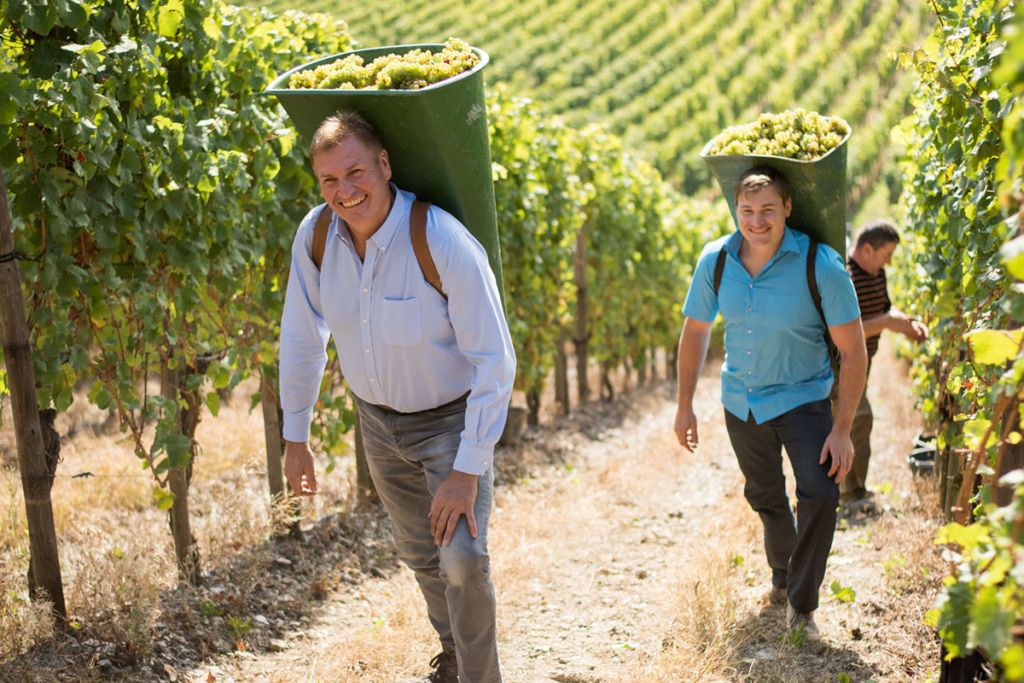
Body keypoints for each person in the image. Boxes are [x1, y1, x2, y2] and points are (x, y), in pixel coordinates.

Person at [278, 111, 515, 683]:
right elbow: (302, 336)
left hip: (452, 424)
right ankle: (454, 656)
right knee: (420, 555)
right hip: (379, 428)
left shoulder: (439, 239)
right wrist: (295, 436)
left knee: (461, 560)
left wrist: (467, 467)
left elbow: (495, 360)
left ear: (384, 166)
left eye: (356, 171)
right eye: (329, 181)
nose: (345, 191)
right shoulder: (315, 238)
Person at [673, 166, 868, 641]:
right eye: (747, 211)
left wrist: (842, 428)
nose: (756, 221)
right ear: (735, 210)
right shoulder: (715, 260)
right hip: (742, 402)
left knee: (820, 493)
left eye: (766, 210)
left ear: (787, 208)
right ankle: (783, 576)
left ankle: (801, 605)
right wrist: (684, 404)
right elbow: (696, 330)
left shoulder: (819, 264)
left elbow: (853, 350)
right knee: (764, 496)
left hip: (804, 399)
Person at [840, 219, 927, 516]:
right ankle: (848, 493)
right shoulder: (846, 277)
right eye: (886, 254)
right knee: (856, 417)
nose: (890, 260)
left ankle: (853, 489)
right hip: (841, 364)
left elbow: (886, 311)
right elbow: (845, 330)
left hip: (864, 361)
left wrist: (906, 322)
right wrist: (890, 323)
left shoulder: (876, 274)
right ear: (866, 249)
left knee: (854, 421)